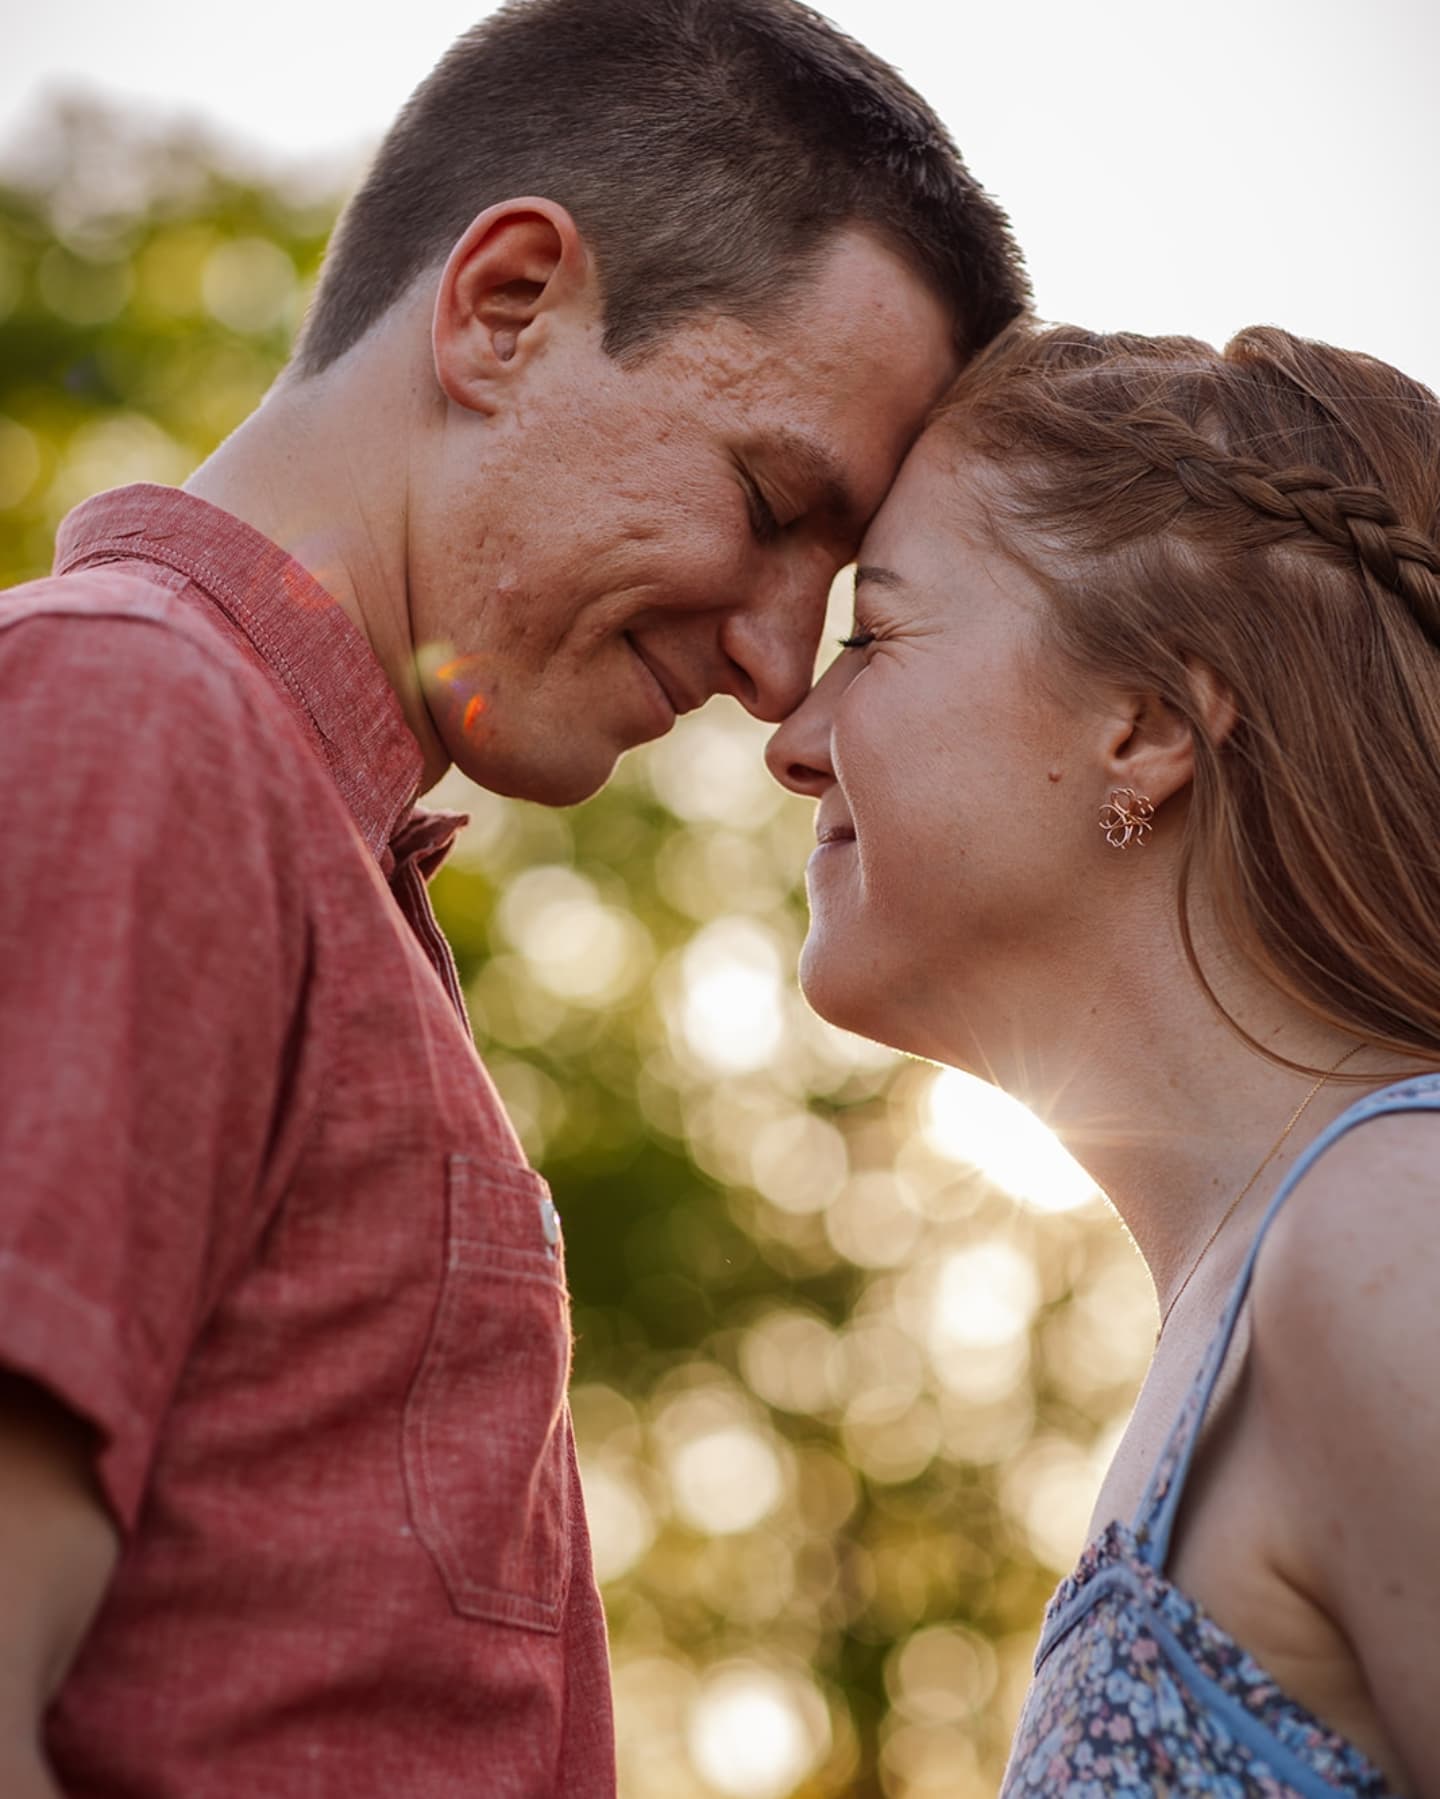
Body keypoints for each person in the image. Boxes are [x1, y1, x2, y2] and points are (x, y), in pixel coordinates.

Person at [0, 1, 1029, 1793]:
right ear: (506, 307)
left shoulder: (302, 832)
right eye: (773, 500)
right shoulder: (137, 722)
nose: (784, 668)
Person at [766, 320, 1440, 1794]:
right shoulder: (1285, 1281)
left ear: (1141, 729)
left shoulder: (1392, 1234)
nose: (792, 737)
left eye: (871, 636)